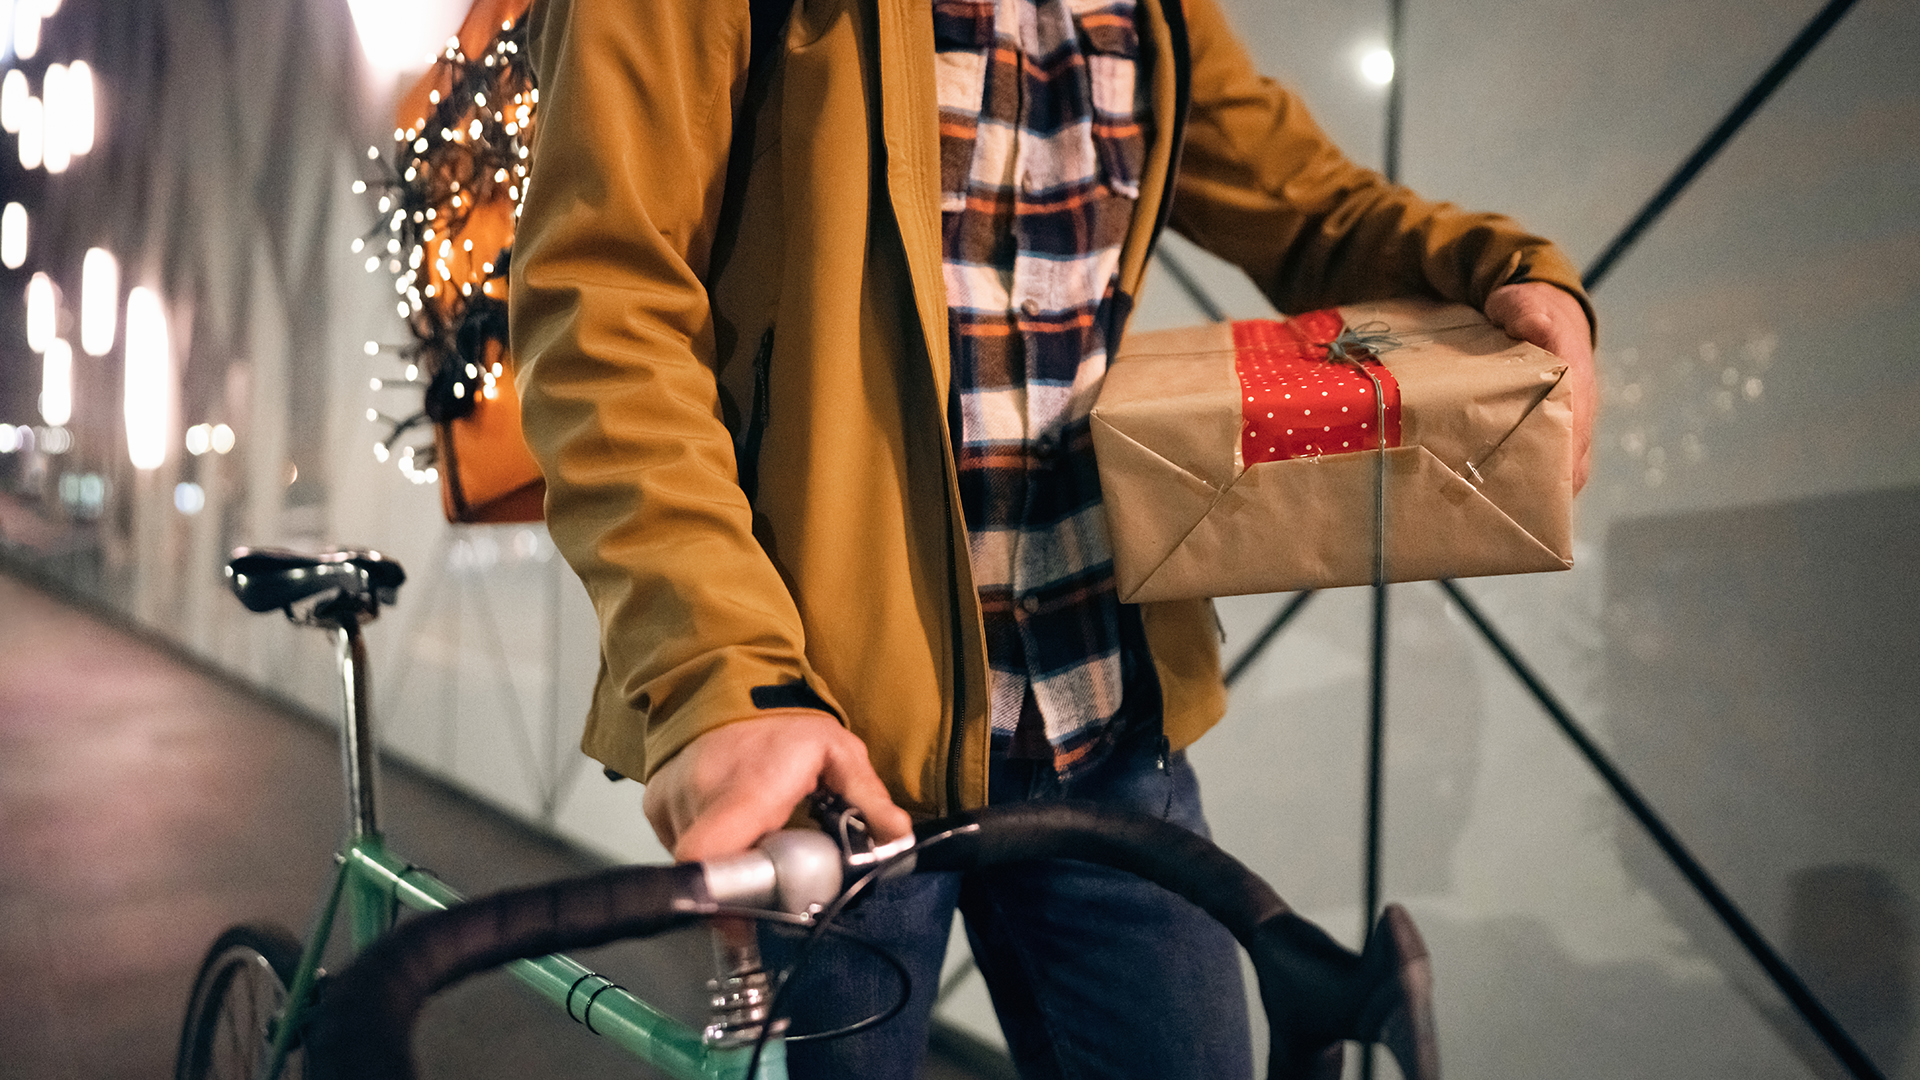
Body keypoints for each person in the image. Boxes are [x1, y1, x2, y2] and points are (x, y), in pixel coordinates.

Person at [510, 0, 1595, 1076]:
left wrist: (1505, 269)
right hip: (825, 734)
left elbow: (1312, 208)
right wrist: (722, 670)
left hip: (1101, 709)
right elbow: (605, 311)